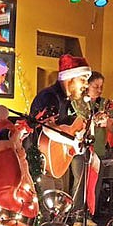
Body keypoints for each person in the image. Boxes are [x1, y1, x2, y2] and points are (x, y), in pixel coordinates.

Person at [30, 54, 91, 215]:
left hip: (56, 162)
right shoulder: (49, 97)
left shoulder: (67, 101)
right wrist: (73, 141)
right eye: (83, 79)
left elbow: (66, 127)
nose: (86, 85)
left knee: (58, 211)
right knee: (46, 212)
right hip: (40, 166)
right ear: (69, 78)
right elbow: (47, 128)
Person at [70, 71, 108, 226]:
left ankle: (88, 214)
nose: (99, 90)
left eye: (101, 87)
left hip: (98, 147)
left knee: (94, 183)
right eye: (96, 86)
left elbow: (111, 126)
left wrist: (107, 121)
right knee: (81, 180)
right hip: (80, 149)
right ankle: (77, 216)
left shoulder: (104, 103)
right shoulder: (77, 103)